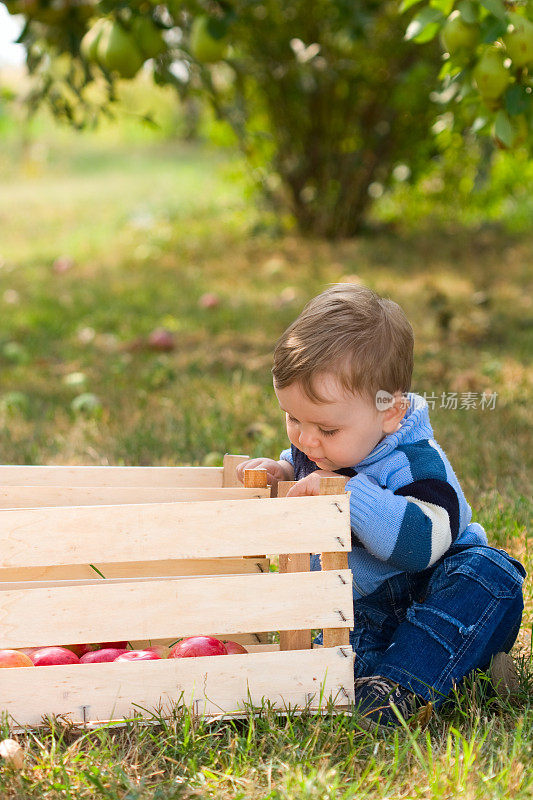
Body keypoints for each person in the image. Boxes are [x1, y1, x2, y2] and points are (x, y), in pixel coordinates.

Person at [236, 283, 526, 730]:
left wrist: (352, 495)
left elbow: (420, 546)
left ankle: (398, 689)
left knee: (492, 574)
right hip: (363, 613)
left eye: (327, 429)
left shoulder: (416, 462)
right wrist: (283, 474)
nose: (307, 440)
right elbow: (305, 475)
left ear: (390, 413)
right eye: (293, 418)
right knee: (329, 660)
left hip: (437, 596)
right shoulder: (313, 451)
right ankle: (441, 675)